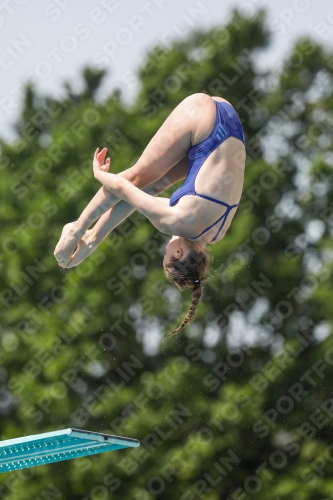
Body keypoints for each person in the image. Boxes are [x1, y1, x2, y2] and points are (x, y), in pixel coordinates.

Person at [54, 93, 246, 335]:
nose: (165, 248)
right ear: (178, 253)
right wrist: (98, 174)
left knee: (151, 185)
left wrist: (95, 238)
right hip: (203, 119)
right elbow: (124, 186)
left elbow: (143, 196)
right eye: (166, 254)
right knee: (138, 175)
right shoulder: (173, 222)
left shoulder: (216, 233)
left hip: (228, 122)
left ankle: (89, 237)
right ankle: (76, 228)